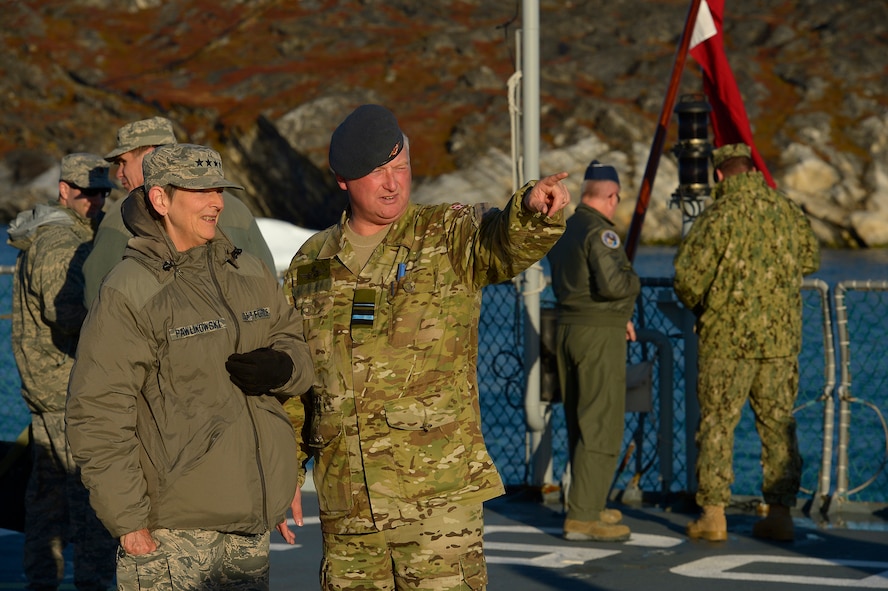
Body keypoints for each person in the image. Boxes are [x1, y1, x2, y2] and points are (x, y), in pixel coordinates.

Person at [280, 104, 569, 590]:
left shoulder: (447, 233)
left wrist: (530, 212)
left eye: (401, 168)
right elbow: (294, 377)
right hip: (348, 508)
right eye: (377, 173)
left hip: (436, 508)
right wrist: (286, 468)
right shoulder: (312, 263)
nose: (393, 183)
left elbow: (501, 242)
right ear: (343, 180)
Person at [66, 144, 315, 590]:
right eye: (199, 190)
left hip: (248, 530)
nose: (215, 201)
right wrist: (128, 524)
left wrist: (283, 367)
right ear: (161, 200)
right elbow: (98, 411)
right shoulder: (131, 289)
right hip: (172, 536)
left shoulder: (251, 273)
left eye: (218, 189)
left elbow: (297, 347)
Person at [674, 143, 820, 542]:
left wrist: (708, 302)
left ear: (719, 175)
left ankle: (714, 515)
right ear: (752, 170)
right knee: (778, 426)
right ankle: (780, 512)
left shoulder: (717, 216)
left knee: (719, 425)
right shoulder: (786, 209)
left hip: (727, 342)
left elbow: (687, 279)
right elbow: (810, 259)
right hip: (779, 341)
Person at [8, 153, 118, 591]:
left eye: (103, 191)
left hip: (51, 388)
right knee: (89, 496)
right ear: (64, 190)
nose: (97, 200)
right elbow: (66, 311)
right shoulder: (59, 241)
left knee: (48, 500)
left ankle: (42, 580)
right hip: (67, 389)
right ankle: (94, 582)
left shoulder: (66, 234)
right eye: (87, 191)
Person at [82, 115, 275, 306]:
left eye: (123, 162)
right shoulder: (238, 208)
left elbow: (96, 296)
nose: (118, 174)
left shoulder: (124, 214)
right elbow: (269, 285)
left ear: (149, 156)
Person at [547, 160, 640, 543]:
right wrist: (633, 282)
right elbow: (615, 285)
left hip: (567, 328)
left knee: (578, 419)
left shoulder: (566, 228)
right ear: (612, 196)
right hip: (597, 336)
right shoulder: (602, 235)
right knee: (600, 421)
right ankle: (583, 516)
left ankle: (588, 502)